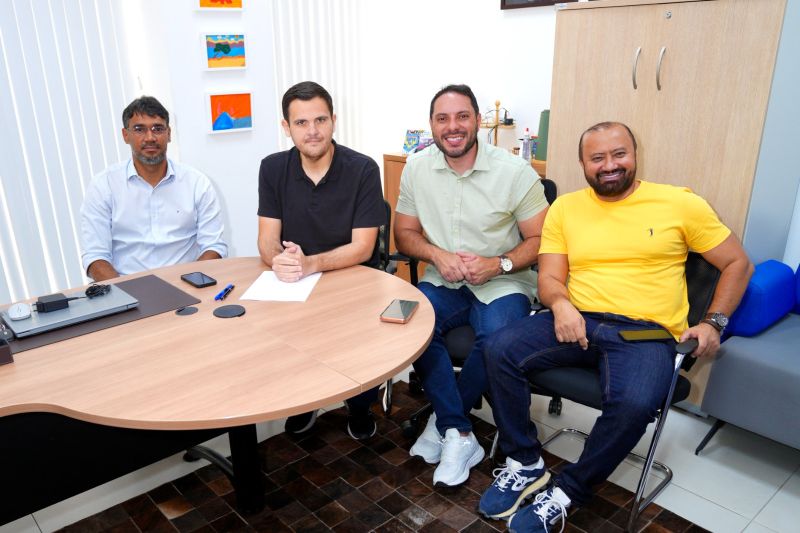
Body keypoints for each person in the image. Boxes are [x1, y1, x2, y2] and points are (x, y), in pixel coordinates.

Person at [478, 121, 754, 532]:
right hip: (578, 320)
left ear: (635, 154)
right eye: (597, 158)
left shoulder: (679, 203)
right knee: (498, 348)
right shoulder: (566, 209)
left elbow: (737, 263)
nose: (609, 165)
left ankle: (568, 491)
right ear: (583, 164)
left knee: (635, 403)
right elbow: (549, 278)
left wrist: (713, 322)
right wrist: (560, 305)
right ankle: (525, 462)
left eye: (619, 154)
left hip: (645, 334)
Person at [394, 84, 549, 487]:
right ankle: (460, 432)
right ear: (431, 125)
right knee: (411, 322)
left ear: (477, 120)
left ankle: (445, 423)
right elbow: (404, 234)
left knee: (497, 339)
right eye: (442, 118)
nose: (453, 127)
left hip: (504, 281)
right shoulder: (416, 168)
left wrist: (498, 263)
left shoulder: (515, 172)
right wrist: (435, 254)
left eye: (462, 116)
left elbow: (544, 240)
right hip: (443, 279)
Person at [257, 81, 386, 440]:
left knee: (360, 348)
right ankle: (305, 399)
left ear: (333, 121)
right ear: (286, 127)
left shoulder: (363, 169)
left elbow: (363, 247)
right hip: (298, 282)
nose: (312, 131)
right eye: (301, 122)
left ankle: (359, 406)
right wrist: (278, 261)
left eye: (320, 120)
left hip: (354, 279)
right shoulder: (272, 168)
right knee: (282, 337)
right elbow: (266, 238)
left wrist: (311, 263)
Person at [81, 96, 227, 281]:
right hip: (127, 285)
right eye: (139, 129)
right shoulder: (104, 186)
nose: (150, 138)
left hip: (187, 283)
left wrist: (192, 283)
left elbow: (214, 246)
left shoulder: (197, 183)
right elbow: (95, 256)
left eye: (158, 129)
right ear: (126, 135)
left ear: (169, 134)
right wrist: (125, 292)